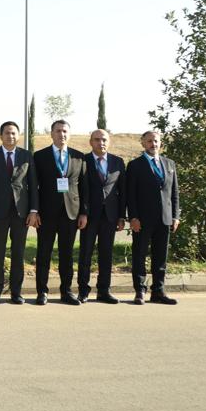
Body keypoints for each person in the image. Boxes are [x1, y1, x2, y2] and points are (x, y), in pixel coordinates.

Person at [32, 120, 88, 306]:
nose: (61, 134)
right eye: (58, 131)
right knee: (44, 253)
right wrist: (35, 211)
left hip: (70, 213)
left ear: (69, 134)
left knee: (67, 254)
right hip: (46, 214)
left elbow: (84, 188)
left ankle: (67, 291)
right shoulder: (39, 156)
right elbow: (34, 187)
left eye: (65, 131)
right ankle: (42, 291)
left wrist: (83, 213)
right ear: (51, 134)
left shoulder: (79, 157)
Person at [0, 121, 36, 304]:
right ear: (1, 136)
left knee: (18, 253)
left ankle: (16, 292)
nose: (10, 136)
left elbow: (33, 186)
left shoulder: (27, 156)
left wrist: (33, 211)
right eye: (7, 133)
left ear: (18, 136)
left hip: (21, 213)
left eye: (13, 133)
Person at [125, 130, 181, 305]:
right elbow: (130, 194)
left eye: (155, 141)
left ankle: (158, 291)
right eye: (149, 141)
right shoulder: (135, 165)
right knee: (139, 255)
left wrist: (175, 216)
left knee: (160, 257)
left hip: (164, 219)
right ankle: (140, 291)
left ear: (160, 143)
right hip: (142, 219)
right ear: (143, 143)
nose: (153, 144)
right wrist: (133, 217)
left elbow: (174, 193)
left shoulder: (169, 164)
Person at [78, 129, 126, 304]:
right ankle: (83, 291)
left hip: (110, 216)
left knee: (106, 254)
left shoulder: (117, 162)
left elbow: (123, 191)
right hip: (89, 216)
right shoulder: (83, 161)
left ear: (109, 142)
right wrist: (83, 212)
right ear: (91, 142)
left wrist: (122, 216)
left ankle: (104, 291)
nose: (101, 143)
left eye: (104, 140)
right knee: (85, 254)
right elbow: (81, 190)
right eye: (97, 140)